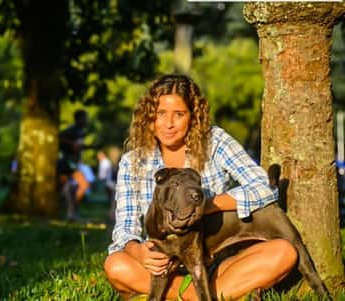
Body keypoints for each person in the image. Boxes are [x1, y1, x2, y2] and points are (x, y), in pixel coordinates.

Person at [103, 74, 297, 300]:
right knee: (116, 265)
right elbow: (125, 227)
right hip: (163, 267)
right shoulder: (133, 161)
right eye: (160, 114)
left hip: (216, 261)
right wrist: (138, 253)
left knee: (284, 253)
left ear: (193, 116)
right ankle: (200, 295)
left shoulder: (215, 142)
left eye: (179, 114)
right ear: (149, 116)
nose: (168, 124)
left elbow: (264, 187)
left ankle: (179, 295)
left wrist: (209, 205)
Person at [58, 109, 90, 220]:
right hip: (67, 162)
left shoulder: (81, 131)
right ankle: (71, 211)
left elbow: (79, 147)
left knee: (70, 188)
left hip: (74, 163)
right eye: (85, 118)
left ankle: (71, 211)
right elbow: (59, 138)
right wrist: (72, 144)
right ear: (79, 119)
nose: (87, 120)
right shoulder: (72, 130)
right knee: (83, 184)